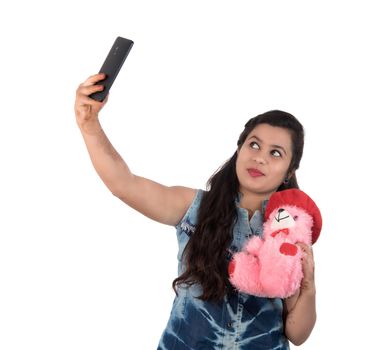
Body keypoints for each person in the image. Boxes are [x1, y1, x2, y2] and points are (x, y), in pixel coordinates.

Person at [74, 73, 317, 349]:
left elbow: (297, 335)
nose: (260, 157)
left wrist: (308, 285)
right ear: (239, 149)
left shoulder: (289, 230)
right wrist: (89, 125)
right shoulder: (194, 207)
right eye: (254, 144)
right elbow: (124, 184)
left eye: (276, 153)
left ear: (290, 171)